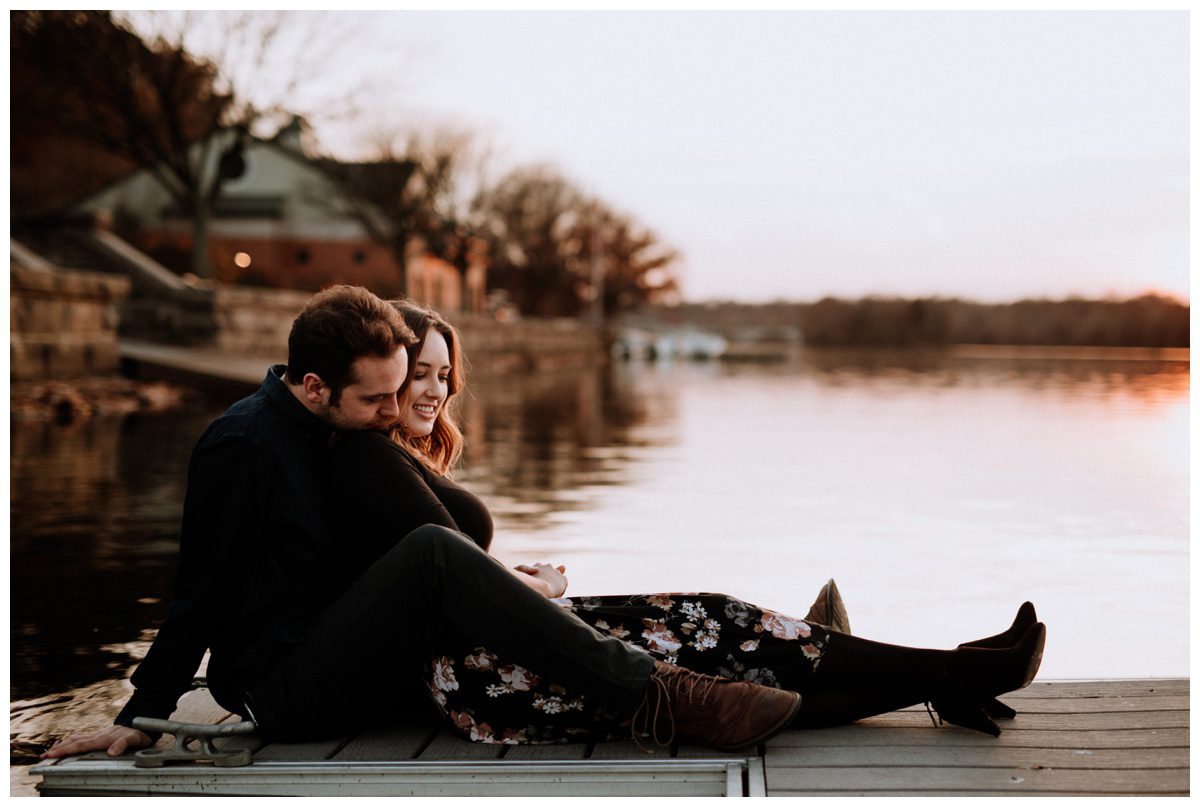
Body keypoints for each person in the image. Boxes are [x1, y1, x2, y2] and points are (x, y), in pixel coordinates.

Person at [44, 285, 805, 762]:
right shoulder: (243, 445)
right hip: (286, 688)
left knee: (634, 619)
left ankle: (793, 659)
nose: (392, 412)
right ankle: (670, 697)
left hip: (357, 650)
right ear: (314, 387)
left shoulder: (327, 433)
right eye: (377, 398)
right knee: (434, 553)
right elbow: (199, 594)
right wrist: (145, 710)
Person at [323, 300, 1047, 745]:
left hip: (500, 649)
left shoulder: (405, 460)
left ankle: (948, 674)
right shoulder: (371, 462)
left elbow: (451, 569)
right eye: (421, 371)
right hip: (484, 678)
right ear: (385, 372)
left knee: (720, 623)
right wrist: (535, 590)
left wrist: (521, 583)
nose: (435, 389)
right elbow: (432, 585)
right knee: (717, 639)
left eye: (443, 374)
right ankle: (957, 671)